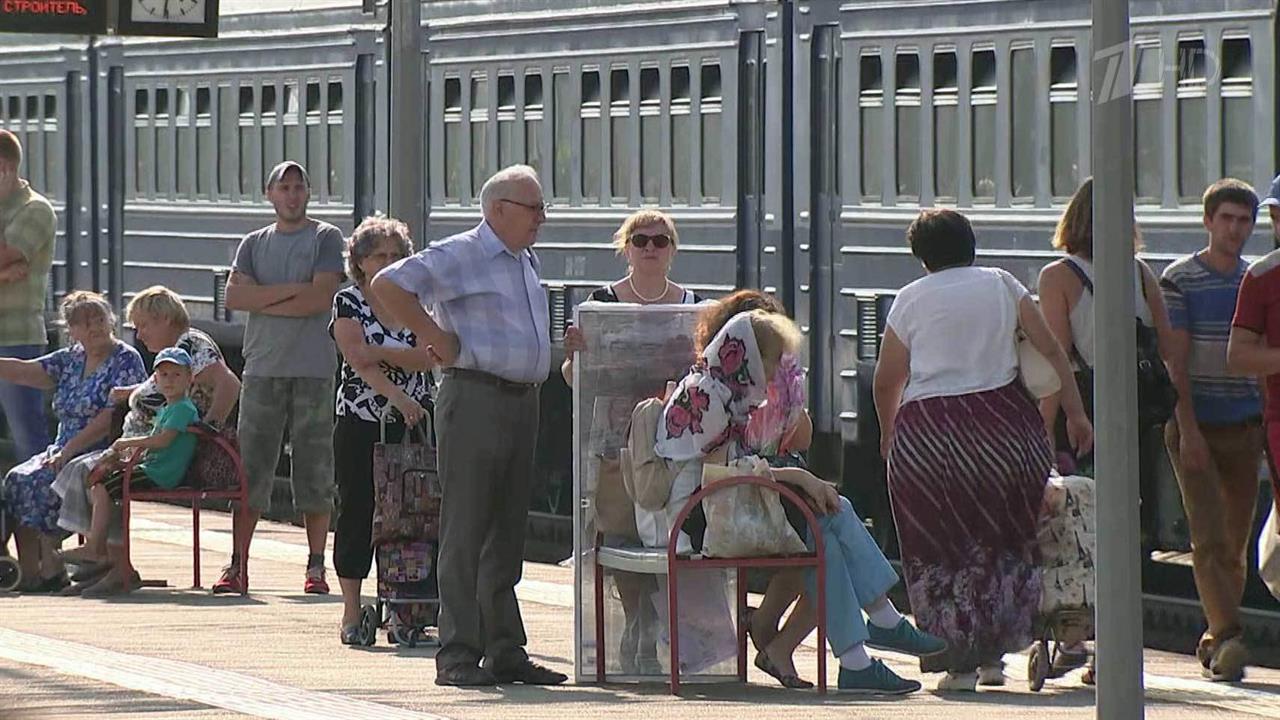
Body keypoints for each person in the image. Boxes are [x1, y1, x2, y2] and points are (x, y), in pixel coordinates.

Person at [655, 309, 945, 694]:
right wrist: (800, 477)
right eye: (774, 359)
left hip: (720, 504)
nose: (777, 371)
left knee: (826, 524)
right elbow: (716, 474)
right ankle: (877, 629)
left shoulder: (727, 390)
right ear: (749, 356)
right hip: (698, 518)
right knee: (826, 517)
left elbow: (745, 466)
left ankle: (863, 650)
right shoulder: (705, 396)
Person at [873, 209, 1092, 691]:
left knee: (938, 546)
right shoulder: (1002, 284)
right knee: (1005, 539)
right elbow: (1054, 353)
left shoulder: (910, 299)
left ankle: (958, 665)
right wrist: (1075, 414)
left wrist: (891, 434)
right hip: (1004, 432)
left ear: (921, 256)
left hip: (930, 436)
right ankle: (995, 659)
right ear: (970, 243)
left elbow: (887, 379)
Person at [372, 164, 565, 687]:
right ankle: (457, 652)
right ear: (498, 209)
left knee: (507, 529)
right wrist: (432, 333)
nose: (542, 218)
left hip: (522, 401)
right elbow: (388, 283)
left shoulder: (525, 258)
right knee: (466, 527)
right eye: (534, 208)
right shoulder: (464, 252)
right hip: (475, 397)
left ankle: (505, 649)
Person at [54, 285, 240, 594]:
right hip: (145, 448)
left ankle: (105, 560)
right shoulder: (172, 358)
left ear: (164, 318)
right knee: (83, 470)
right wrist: (132, 392)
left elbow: (229, 384)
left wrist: (208, 429)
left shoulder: (191, 344)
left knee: (90, 471)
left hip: (166, 453)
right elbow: (166, 389)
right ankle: (109, 563)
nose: (139, 335)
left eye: (143, 325)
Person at [220, 161, 344, 596]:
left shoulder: (326, 238)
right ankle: (238, 563)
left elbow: (321, 298)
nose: (292, 195)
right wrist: (293, 291)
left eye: (299, 187)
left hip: (313, 369)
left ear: (308, 193)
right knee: (251, 468)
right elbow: (235, 296)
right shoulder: (253, 243)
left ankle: (316, 565)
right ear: (270, 194)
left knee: (315, 469)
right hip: (262, 368)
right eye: (284, 188)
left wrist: (264, 299)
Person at [1161, 178, 1264, 682]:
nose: (1235, 229)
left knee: (1235, 541)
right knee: (1206, 537)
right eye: (1226, 218)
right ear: (1207, 221)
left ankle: (1216, 633)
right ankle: (1229, 639)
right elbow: (1174, 361)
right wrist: (1188, 430)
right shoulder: (1180, 280)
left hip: (1244, 423)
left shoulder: (1255, 279)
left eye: (1244, 220)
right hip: (1196, 423)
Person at [330, 216, 433, 644]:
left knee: (416, 515)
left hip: (418, 422)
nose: (388, 262)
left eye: (396, 255)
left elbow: (432, 356)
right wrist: (398, 395)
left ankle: (408, 610)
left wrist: (379, 352)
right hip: (361, 420)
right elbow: (356, 359)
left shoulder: (418, 299)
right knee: (358, 510)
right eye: (379, 256)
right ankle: (353, 612)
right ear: (360, 262)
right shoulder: (347, 302)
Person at [0, 291, 146, 592]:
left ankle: (52, 564)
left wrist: (67, 451)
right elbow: (26, 370)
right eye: (84, 323)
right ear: (72, 331)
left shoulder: (125, 358)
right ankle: (32, 571)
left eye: (99, 320)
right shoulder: (70, 358)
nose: (93, 328)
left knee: (46, 477)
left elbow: (109, 417)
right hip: (63, 445)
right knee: (17, 478)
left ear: (111, 321)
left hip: (106, 445)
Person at [76, 348, 201, 596]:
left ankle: (95, 548)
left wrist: (126, 444)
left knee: (105, 486)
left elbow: (163, 441)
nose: (170, 380)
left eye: (177, 375)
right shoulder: (168, 408)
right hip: (153, 466)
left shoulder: (183, 408)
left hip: (161, 474)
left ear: (190, 379)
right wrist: (123, 462)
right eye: (164, 375)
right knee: (101, 481)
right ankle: (103, 554)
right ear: (155, 380)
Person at [562, 209, 702, 384]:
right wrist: (574, 357)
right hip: (614, 408)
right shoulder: (601, 302)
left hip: (676, 408)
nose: (649, 247)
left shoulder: (694, 306)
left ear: (672, 249)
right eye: (640, 240)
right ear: (627, 249)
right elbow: (572, 378)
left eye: (660, 241)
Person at [0, 129, 54, 476]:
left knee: (27, 440)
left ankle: (39, 526)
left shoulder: (35, 210)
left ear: (4, 169)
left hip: (17, 340)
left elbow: (7, 253)